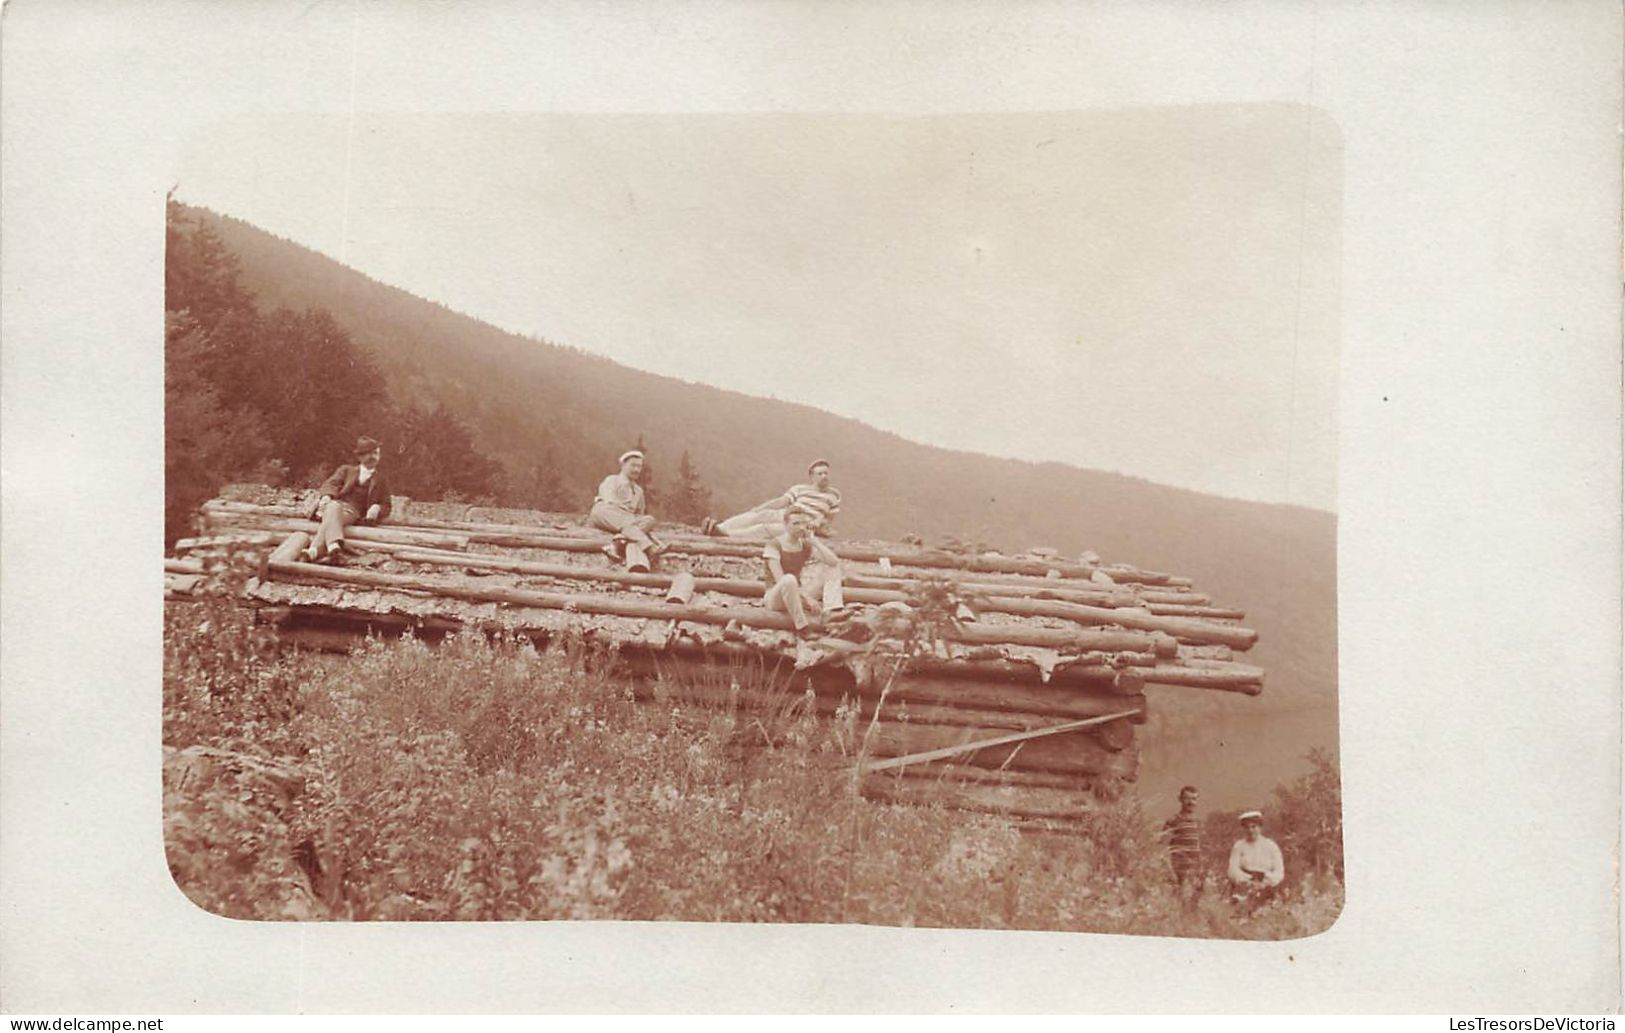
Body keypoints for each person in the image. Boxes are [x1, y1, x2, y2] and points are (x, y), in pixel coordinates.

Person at [303, 436, 392, 563]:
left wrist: (377, 508)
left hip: (353, 511)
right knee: (333, 507)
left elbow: (387, 505)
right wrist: (327, 495)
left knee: (332, 512)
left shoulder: (381, 480)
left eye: (376, 453)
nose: (373, 457)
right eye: (368, 454)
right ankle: (325, 549)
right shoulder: (346, 470)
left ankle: (324, 547)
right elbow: (331, 484)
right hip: (334, 505)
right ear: (360, 457)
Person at [701, 459, 842, 539]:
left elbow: (829, 519)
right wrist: (759, 508)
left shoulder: (833, 495)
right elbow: (782, 501)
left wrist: (818, 523)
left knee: (766, 528)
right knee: (760, 515)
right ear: (812, 476)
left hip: (804, 523)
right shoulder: (800, 488)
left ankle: (727, 535)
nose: (824, 476)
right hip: (787, 513)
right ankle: (718, 528)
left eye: (826, 473)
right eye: (820, 473)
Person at [762, 510, 846, 637]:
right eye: (796, 523)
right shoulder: (774, 545)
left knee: (833, 569)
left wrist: (815, 541)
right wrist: (807, 599)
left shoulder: (804, 545)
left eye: (804, 524)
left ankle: (831, 612)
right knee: (789, 579)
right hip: (775, 597)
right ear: (785, 524)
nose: (801, 527)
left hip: (797, 593)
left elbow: (834, 562)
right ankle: (802, 627)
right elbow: (780, 580)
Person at [588, 449, 664, 572]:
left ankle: (620, 540)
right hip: (606, 516)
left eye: (639, 466)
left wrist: (633, 520)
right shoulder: (612, 480)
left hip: (625, 524)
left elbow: (640, 515)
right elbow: (610, 503)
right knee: (607, 511)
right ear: (623, 465)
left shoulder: (638, 491)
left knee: (649, 520)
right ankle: (648, 547)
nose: (636, 470)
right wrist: (629, 518)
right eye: (633, 465)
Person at [1227, 810, 1285, 909]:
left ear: (1260, 827)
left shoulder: (1271, 846)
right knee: (1240, 909)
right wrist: (1246, 881)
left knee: (1268, 911)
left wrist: (1266, 882)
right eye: (1247, 827)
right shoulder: (1239, 846)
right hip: (1244, 887)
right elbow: (1233, 870)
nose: (1250, 830)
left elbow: (1279, 871)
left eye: (1254, 826)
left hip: (1267, 886)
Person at [1162, 785, 1204, 910]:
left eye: (1194, 799)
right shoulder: (1173, 821)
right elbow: (1163, 848)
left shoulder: (1198, 822)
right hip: (1179, 872)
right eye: (1187, 798)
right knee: (1179, 907)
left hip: (1195, 873)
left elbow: (1200, 848)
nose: (1191, 802)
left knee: (1195, 908)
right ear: (1180, 799)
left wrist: (1201, 871)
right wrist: (1170, 871)